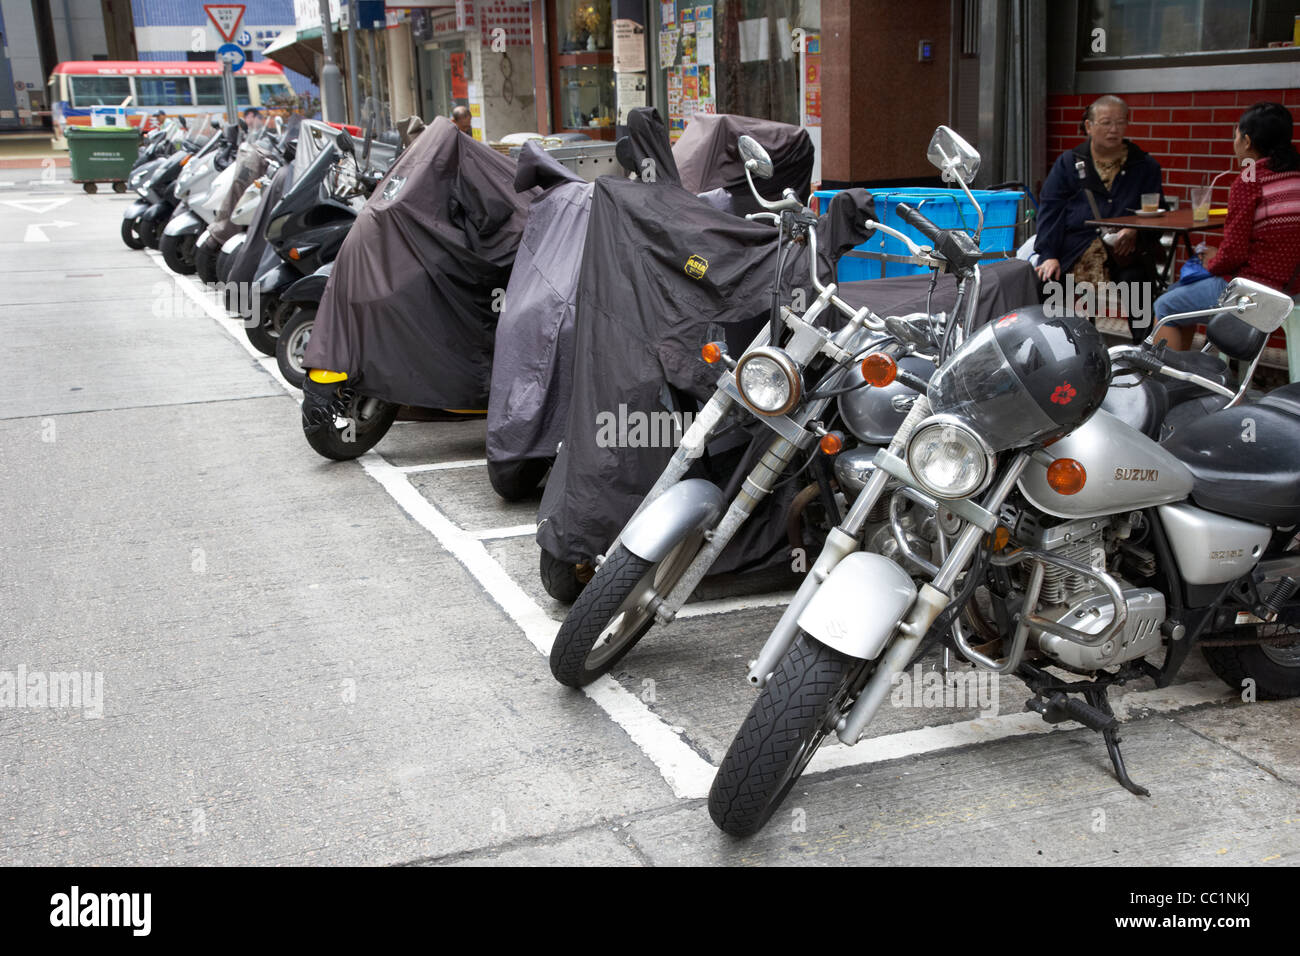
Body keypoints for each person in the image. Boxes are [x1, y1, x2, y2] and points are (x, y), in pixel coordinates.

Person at [1152, 102, 1300, 350]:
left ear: (1247, 141)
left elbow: (1234, 253)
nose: (1234, 142)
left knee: (1166, 306)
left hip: (1255, 293)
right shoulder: (1295, 177)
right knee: (1181, 292)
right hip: (1293, 289)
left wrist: (1212, 259)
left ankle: (1168, 381)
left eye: (1235, 135)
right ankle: (1183, 369)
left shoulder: (1250, 181)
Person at [1034, 95, 1164, 331]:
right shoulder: (1069, 163)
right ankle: (1052, 343)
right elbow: (1051, 208)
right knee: (1047, 281)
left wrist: (1135, 229)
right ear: (1089, 126)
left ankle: (1145, 350)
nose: (1114, 130)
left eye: (1120, 122)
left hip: (1124, 251)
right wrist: (1049, 253)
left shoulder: (1145, 166)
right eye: (1105, 122)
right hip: (1074, 248)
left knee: (1138, 282)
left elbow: (1155, 211)